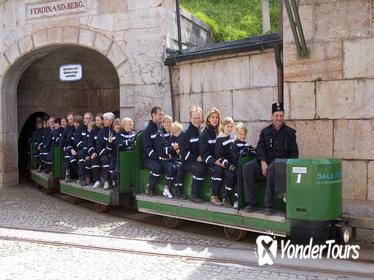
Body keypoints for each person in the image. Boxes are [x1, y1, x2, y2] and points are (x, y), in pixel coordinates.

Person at [242, 102, 299, 215]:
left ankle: (268, 205)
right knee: (247, 167)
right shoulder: (265, 132)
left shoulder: (290, 133)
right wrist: (262, 162)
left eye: (281, 115)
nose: (279, 118)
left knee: (273, 167)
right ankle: (251, 203)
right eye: (276, 115)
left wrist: (289, 165)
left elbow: (294, 152)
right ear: (272, 116)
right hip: (266, 161)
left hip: (281, 164)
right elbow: (260, 148)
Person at [179, 106, 205, 203]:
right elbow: (184, 154)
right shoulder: (185, 134)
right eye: (194, 118)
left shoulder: (202, 132)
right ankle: (194, 195)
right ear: (190, 118)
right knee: (200, 169)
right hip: (187, 163)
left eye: (199, 118)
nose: (197, 120)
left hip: (200, 160)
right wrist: (196, 158)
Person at [199, 107, 225, 206]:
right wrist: (215, 161)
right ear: (208, 119)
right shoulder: (204, 134)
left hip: (218, 160)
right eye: (212, 117)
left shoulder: (219, 132)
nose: (215, 119)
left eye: (217, 117)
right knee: (218, 170)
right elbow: (204, 153)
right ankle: (214, 196)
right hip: (208, 163)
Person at [154, 115, 179, 199]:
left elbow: (174, 148)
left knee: (179, 166)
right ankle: (166, 189)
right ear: (163, 123)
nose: (169, 124)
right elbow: (161, 152)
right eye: (167, 122)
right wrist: (172, 148)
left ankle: (177, 190)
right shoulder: (159, 135)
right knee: (171, 168)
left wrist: (177, 151)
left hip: (170, 158)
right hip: (162, 159)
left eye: (170, 122)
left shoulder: (171, 134)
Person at [141, 106, 164, 196]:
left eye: (162, 114)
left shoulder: (160, 129)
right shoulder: (147, 131)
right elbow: (148, 150)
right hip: (147, 159)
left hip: (158, 157)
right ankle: (149, 187)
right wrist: (159, 157)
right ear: (153, 115)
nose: (161, 117)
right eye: (159, 114)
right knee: (157, 168)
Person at [215, 117, 236, 208]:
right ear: (223, 127)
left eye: (231, 127)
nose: (229, 129)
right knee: (231, 176)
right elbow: (219, 156)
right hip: (224, 165)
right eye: (228, 126)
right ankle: (225, 197)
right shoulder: (219, 139)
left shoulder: (230, 137)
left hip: (232, 163)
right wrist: (228, 166)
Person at [230, 122, 252, 209]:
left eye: (244, 134)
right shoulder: (234, 144)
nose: (242, 136)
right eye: (240, 134)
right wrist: (243, 151)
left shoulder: (246, 144)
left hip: (245, 168)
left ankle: (247, 200)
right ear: (235, 133)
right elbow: (235, 158)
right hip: (237, 167)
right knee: (238, 182)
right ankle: (236, 200)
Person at [74, 112, 94, 186]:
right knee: (81, 155)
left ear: (91, 119)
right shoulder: (81, 127)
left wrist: (89, 152)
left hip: (92, 150)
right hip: (82, 149)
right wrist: (85, 149)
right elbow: (76, 140)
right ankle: (82, 178)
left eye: (86, 118)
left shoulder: (94, 127)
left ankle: (88, 176)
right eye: (84, 118)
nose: (84, 120)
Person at [97, 112, 115, 190]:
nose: (104, 121)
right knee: (105, 159)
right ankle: (107, 181)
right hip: (104, 154)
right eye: (104, 120)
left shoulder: (114, 130)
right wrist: (107, 151)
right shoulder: (101, 132)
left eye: (106, 120)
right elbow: (99, 145)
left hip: (113, 153)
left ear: (111, 121)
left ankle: (115, 181)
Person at [170, 121, 185, 199]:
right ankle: (177, 190)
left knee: (181, 167)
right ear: (173, 133)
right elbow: (171, 150)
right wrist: (175, 149)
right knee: (179, 168)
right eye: (178, 131)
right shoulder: (171, 140)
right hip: (173, 159)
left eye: (180, 131)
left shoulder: (182, 137)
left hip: (180, 158)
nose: (180, 133)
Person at [60, 112, 75, 181]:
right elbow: (62, 141)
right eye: (69, 119)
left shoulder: (78, 127)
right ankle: (67, 173)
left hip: (77, 148)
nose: (70, 121)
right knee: (67, 153)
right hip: (68, 148)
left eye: (71, 119)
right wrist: (67, 148)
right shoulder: (67, 129)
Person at [87, 121, 101, 189]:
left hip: (105, 153)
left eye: (98, 120)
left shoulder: (106, 130)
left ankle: (108, 181)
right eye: (96, 120)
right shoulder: (93, 132)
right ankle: (96, 180)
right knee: (94, 159)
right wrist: (92, 152)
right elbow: (89, 144)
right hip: (95, 153)